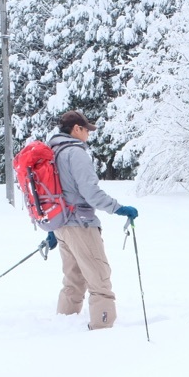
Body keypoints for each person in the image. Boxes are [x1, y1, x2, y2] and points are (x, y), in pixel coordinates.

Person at [46, 110, 138, 330]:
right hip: (81, 224)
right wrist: (119, 208)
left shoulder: (52, 152)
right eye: (87, 129)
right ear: (76, 129)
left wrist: (52, 228)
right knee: (99, 277)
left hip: (61, 225)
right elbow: (90, 192)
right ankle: (103, 329)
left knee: (73, 279)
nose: (88, 134)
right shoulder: (75, 153)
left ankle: (64, 324)